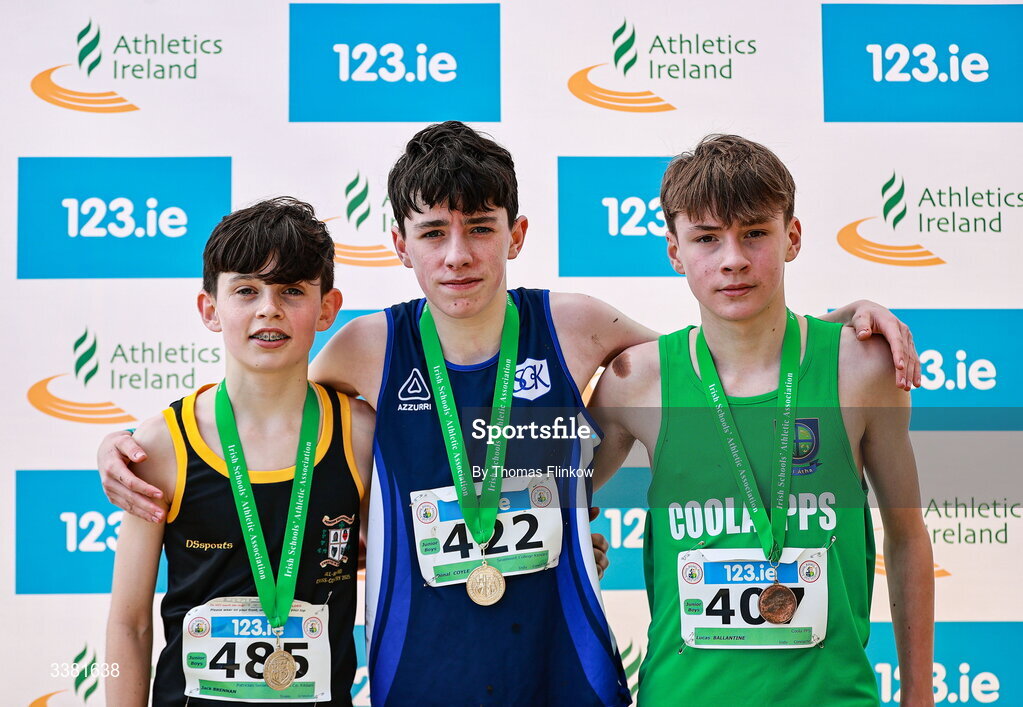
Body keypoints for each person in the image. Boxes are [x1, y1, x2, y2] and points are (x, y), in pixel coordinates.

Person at [99, 123, 919, 706]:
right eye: (433, 232)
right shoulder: (366, 348)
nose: (458, 254)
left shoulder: (575, 325)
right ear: (399, 243)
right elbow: (266, 411)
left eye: (480, 229)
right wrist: (125, 444)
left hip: (563, 666)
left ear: (515, 233)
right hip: (420, 670)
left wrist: (841, 322)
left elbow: (723, 361)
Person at [590, 135, 934, 705]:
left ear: (791, 237)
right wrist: (580, 551)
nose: (733, 259)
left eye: (754, 232)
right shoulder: (638, 379)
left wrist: (918, 698)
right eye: (706, 238)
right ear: (674, 251)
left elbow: (907, 538)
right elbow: (546, 501)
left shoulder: (862, 369)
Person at [106, 198, 373, 706]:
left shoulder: (358, 435)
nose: (269, 308)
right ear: (211, 309)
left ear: (327, 308)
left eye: (292, 290)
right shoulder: (162, 444)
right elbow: (129, 624)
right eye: (247, 290)